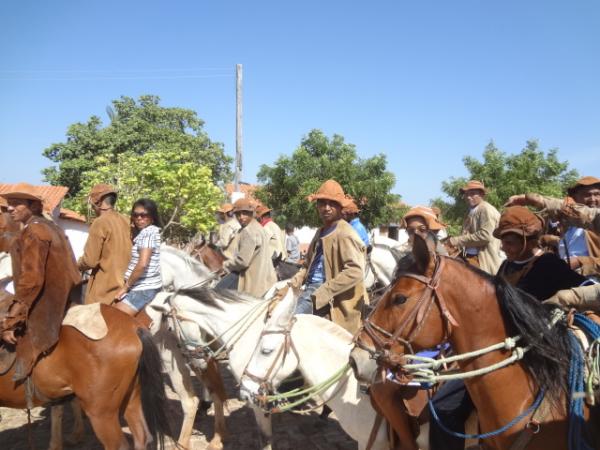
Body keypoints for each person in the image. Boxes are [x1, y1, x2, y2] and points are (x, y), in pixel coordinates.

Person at [0, 183, 80, 380]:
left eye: (17, 204)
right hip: (68, 295)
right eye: (9, 204)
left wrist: (12, 320)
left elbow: (32, 281)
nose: (10, 208)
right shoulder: (50, 227)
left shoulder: (34, 232)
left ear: (34, 207)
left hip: (46, 301)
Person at [290, 179, 367, 335]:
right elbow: (307, 264)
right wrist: (293, 283)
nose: (326, 208)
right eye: (322, 203)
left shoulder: (345, 233)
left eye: (332, 204)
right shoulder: (321, 232)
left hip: (328, 292)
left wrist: (325, 291)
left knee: (291, 322)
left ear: (340, 207)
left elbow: (355, 271)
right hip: (311, 287)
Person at [494, 206, 586, 300]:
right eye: (503, 242)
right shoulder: (506, 266)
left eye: (509, 243)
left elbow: (586, 289)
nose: (503, 248)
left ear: (530, 243)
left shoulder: (550, 264)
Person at [77, 184, 132, 304]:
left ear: (99, 202)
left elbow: (90, 261)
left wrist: (76, 265)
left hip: (104, 295)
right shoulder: (127, 221)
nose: (91, 206)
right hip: (125, 291)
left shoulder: (99, 222)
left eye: (92, 202)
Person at [113, 199, 162, 316]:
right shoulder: (145, 232)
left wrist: (125, 287)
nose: (139, 218)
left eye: (144, 215)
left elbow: (142, 264)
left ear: (152, 217)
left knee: (115, 317)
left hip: (143, 289)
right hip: (140, 286)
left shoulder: (148, 233)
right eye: (135, 215)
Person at [221, 198, 277, 297]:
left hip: (253, 282)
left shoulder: (248, 231)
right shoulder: (259, 227)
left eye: (245, 213)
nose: (241, 217)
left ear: (252, 213)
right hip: (267, 280)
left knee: (216, 292)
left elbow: (242, 262)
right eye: (238, 214)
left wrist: (225, 265)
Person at [446, 180, 503, 274]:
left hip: (481, 261)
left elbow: (485, 236)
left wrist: (455, 241)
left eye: (472, 194)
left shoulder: (486, 209)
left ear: (482, 195)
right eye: (466, 194)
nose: (468, 197)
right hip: (469, 256)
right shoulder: (473, 210)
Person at [557, 176, 600, 278]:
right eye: (587, 195)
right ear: (575, 198)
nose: (592, 199)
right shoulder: (567, 224)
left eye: (597, 194)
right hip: (567, 279)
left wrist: (580, 261)